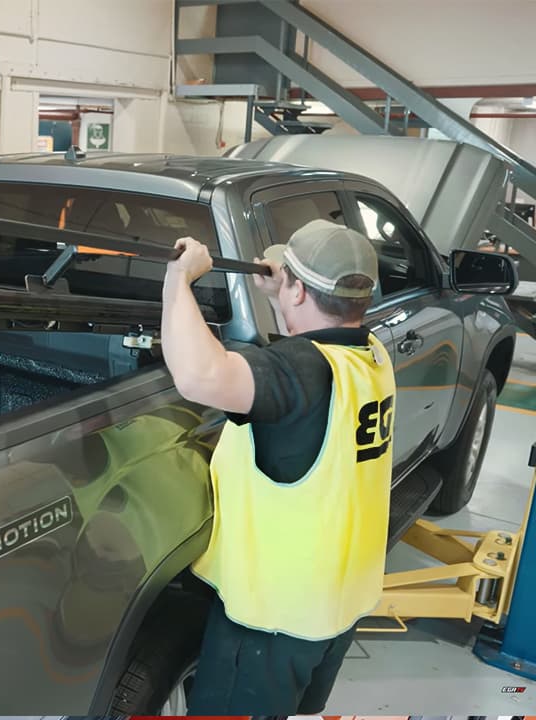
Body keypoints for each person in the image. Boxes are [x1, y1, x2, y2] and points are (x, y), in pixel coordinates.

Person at [160, 219, 395, 714]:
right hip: (336, 607)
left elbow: (199, 375)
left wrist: (179, 280)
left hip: (272, 620)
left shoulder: (302, 372)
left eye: (289, 279)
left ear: (301, 290)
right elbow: (304, 355)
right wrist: (278, 294)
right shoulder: (369, 355)